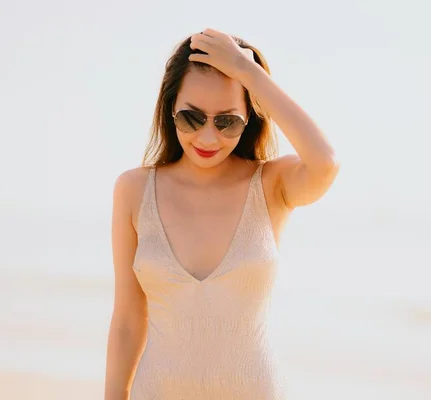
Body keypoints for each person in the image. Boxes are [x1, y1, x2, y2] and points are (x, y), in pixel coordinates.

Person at [104, 28, 339, 400]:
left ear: (251, 114)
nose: (209, 138)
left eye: (227, 121)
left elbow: (325, 163)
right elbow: (128, 320)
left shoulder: (270, 185)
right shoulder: (133, 190)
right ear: (170, 109)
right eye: (192, 119)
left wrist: (250, 73)